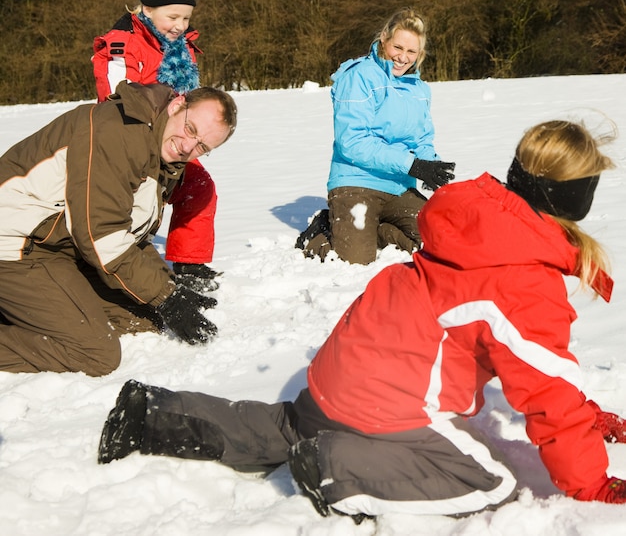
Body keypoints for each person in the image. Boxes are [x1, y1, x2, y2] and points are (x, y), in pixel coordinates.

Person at [97, 119, 626, 520]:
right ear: (576, 200)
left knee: (291, 425)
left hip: (335, 379)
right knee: (491, 482)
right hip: (379, 406)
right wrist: (591, 486)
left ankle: (153, 413)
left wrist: (584, 412)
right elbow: (548, 391)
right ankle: (336, 468)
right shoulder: (522, 276)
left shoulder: (474, 220)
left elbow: (543, 372)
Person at [0, 82, 237, 376]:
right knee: (95, 354)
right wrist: (167, 298)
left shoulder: (160, 153)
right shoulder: (118, 130)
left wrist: (170, 291)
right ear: (177, 106)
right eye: (190, 129)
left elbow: (130, 238)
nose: (189, 146)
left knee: (144, 318)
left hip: (59, 249)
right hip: (16, 246)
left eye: (202, 146)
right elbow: (101, 233)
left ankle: (27, 310)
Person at [93, 0, 221, 294]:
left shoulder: (183, 50)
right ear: (148, 10)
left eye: (186, 17)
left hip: (170, 144)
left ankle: (189, 261)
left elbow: (187, 99)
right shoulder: (122, 45)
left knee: (200, 187)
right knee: (135, 205)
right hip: (127, 145)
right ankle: (118, 266)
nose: (179, 25)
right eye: (172, 16)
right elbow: (115, 101)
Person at [296, 7, 455, 265]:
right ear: (384, 38)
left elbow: (422, 140)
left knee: (438, 242)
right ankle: (321, 233)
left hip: (399, 187)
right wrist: (412, 165)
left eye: (411, 51)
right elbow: (353, 142)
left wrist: (432, 167)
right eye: (397, 47)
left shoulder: (419, 89)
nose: (402, 58)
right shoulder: (360, 76)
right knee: (354, 262)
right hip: (356, 183)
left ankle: (374, 230)